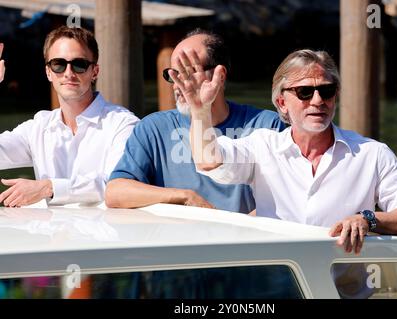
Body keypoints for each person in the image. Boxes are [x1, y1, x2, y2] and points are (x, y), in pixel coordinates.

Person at [178, 48, 397, 255]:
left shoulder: (372, 154)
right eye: (304, 92)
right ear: (282, 102)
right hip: (279, 288)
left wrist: (369, 219)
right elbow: (209, 161)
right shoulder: (262, 146)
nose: (317, 101)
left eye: (326, 91)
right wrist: (201, 111)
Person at [105, 29, 285, 213]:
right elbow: (115, 192)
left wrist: (236, 230)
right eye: (173, 74)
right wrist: (184, 197)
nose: (177, 84)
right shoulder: (153, 128)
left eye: (187, 72)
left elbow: (284, 197)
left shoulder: (267, 126)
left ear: (220, 76)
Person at [0, 26, 139, 207]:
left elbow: (116, 184)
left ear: (94, 72)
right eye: (59, 64)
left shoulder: (123, 124)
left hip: (106, 233)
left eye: (79, 64)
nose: (68, 73)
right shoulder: (38, 127)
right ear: (48, 72)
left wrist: (48, 188)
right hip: (52, 233)